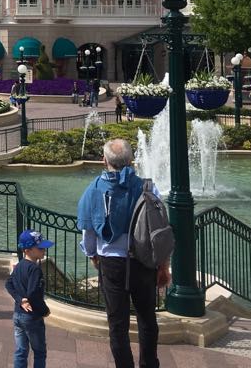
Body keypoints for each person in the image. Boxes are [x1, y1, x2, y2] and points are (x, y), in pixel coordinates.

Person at [77, 139, 170, 368]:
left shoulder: (93, 189)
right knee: (147, 319)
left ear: (104, 160)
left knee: (117, 324)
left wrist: (92, 255)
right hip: (143, 262)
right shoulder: (148, 188)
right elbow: (160, 230)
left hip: (111, 264)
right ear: (131, 160)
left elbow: (88, 233)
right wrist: (163, 265)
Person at [6, 229, 54, 368]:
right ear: (27, 250)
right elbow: (34, 294)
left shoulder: (19, 265)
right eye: (40, 248)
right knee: (39, 352)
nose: (44, 250)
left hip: (18, 315)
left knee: (21, 351)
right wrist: (44, 310)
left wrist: (20, 300)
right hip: (32, 317)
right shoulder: (35, 269)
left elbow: (8, 284)